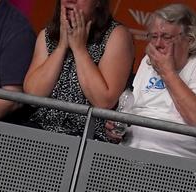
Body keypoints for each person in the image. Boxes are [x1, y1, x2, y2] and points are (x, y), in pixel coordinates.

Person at [119, 3, 196, 161]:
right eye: (153, 37)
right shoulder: (148, 61)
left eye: (166, 37)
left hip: (182, 162)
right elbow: (133, 109)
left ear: (190, 39)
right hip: (131, 154)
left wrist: (167, 72)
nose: (157, 44)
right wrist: (119, 125)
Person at [22, 0, 131, 141]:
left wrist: (79, 50)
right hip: (41, 131)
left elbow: (103, 100)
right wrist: (62, 46)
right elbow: (33, 94)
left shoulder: (116, 35)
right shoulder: (48, 35)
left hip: (88, 139)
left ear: (97, 2)